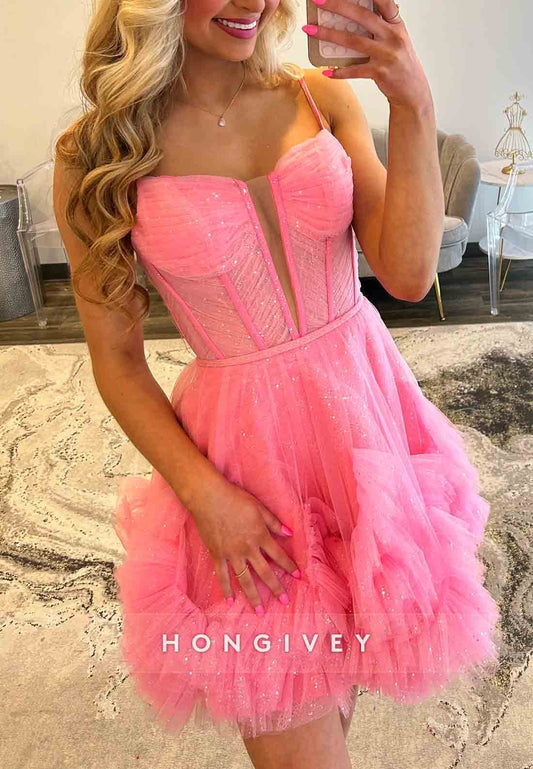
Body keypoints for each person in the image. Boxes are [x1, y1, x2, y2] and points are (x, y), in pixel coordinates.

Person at [52, 0, 501, 766]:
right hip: (245, 464)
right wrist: (204, 495)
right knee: (294, 719)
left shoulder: (318, 97)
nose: (251, 4)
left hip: (363, 430)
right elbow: (117, 360)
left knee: (336, 669)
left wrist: (412, 103)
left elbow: (406, 273)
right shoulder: (98, 152)